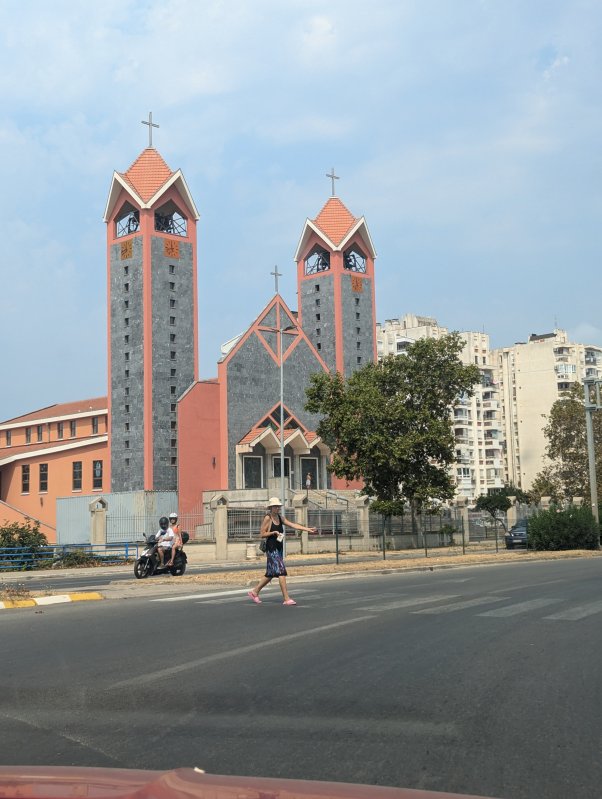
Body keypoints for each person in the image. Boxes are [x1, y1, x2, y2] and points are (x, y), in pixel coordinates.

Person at [248, 497, 317, 606]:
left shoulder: (280, 517)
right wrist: (272, 533)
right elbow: (262, 533)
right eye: (275, 506)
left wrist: (307, 529)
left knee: (270, 574)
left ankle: (254, 592)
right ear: (271, 507)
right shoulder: (268, 518)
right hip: (271, 548)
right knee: (281, 571)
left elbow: (292, 525)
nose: (277, 508)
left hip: (279, 548)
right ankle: (286, 598)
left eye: (278, 506)